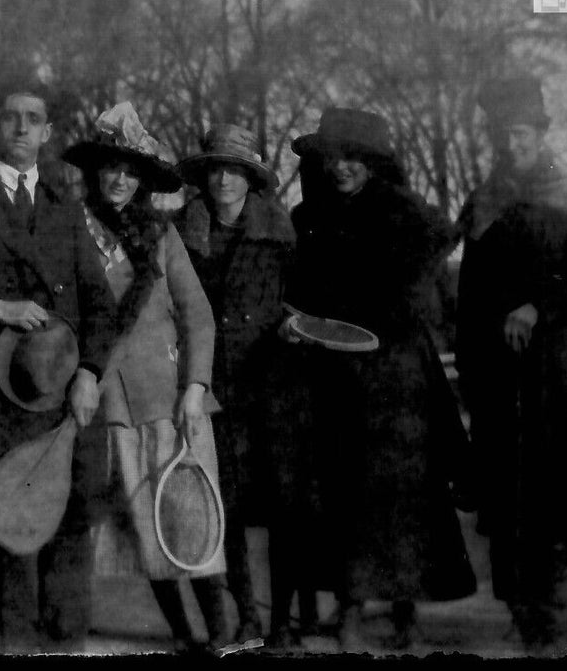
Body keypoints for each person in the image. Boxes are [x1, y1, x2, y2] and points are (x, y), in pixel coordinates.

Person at [0, 88, 123, 653]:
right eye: (10, 116)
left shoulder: (66, 212)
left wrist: (90, 371)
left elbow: (100, 307)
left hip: (66, 400)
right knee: (13, 538)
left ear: (46, 134)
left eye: (33, 120)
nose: (21, 127)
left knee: (70, 535)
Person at [287, 108, 476, 651]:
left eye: (354, 158)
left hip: (397, 374)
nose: (342, 168)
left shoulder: (404, 213)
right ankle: (349, 606)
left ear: (373, 162)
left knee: (406, 494)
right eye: (333, 158)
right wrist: (302, 322)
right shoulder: (310, 217)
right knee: (343, 491)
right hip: (334, 371)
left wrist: (390, 304)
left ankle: (405, 608)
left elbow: (436, 245)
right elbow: (301, 291)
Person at [455, 75, 567, 655]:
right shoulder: (482, 201)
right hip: (501, 376)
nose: (513, 144)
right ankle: (526, 612)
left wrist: (538, 307)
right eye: (503, 134)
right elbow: (471, 296)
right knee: (510, 501)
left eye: (522, 132)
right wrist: (472, 373)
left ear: (540, 133)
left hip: (561, 373)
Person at [63, 102, 231, 653]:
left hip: (176, 403)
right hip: (112, 409)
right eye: (111, 166)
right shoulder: (72, 232)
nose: (120, 178)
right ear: (95, 170)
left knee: (195, 523)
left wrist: (196, 388)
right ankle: (185, 639)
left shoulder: (161, 236)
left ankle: (223, 636)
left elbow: (198, 316)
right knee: (145, 529)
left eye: (131, 170)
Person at [174, 124, 297, 650]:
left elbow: (303, 298)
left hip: (273, 384)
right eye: (215, 169)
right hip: (213, 384)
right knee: (229, 508)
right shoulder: (183, 231)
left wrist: (293, 322)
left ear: (251, 176)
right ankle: (247, 617)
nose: (223, 179)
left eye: (235, 169)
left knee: (284, 506)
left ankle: (283, 622)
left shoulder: (280, 232)